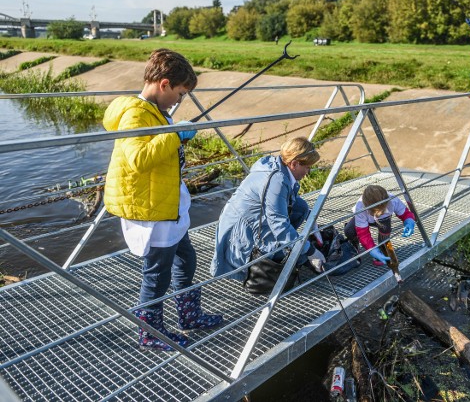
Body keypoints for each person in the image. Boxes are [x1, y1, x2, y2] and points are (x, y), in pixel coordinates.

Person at [103, 48, 222, 351]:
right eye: (180, 94)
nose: (180, 101)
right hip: (151, 209)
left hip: (166, 204)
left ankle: (188, 314)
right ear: (164, 84)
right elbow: (138, 160)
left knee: (186, 258)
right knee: (156, 273)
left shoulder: (156, 112)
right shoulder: (136, 114)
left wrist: (172, 130)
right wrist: (176, 134)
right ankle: (149, 331)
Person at [211, 137, 326, 280]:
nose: (308, 172)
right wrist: (310, 251)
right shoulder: (277, 180)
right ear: (294, 164)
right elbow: (279, 224)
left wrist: (309, 216)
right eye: (307, 167)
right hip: (242, 229)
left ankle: (285, 247)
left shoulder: (277, 166)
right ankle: (264, 260)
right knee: (288, 247)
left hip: (255, 218)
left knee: (301, 208)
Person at [344, 185, 416, 266]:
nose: (377, 215)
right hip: (365, 219)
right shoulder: (360, 207)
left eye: (381, 211)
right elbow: (363, 233)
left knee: (385, 231)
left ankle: (383, 247)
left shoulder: (392, 199)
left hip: (384, 219)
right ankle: (355, 245)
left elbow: (405, 213)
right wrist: (371, 249)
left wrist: (409, 221)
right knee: (349, 230)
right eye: (375, 212)